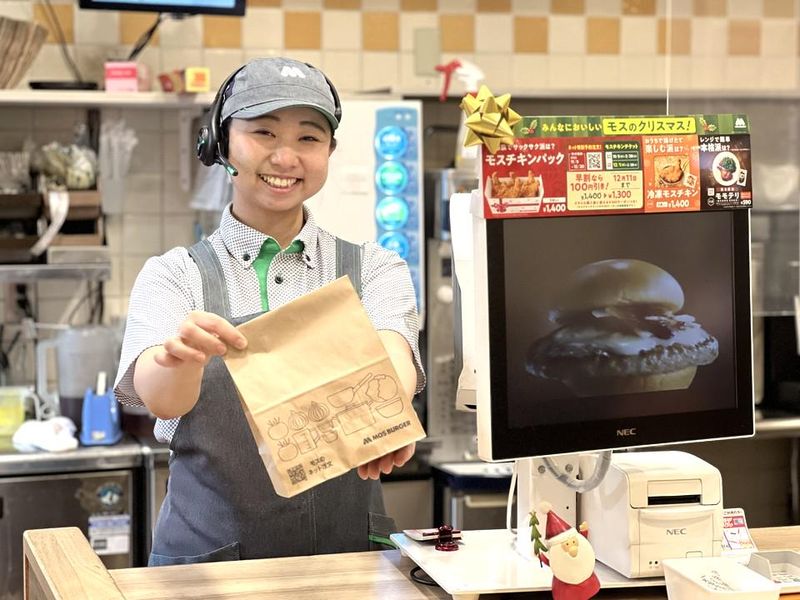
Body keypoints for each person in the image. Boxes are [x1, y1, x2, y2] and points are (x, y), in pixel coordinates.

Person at [114, 57, 425, 566]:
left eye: (309, 138)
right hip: (211, 571)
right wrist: (181, 358)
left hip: (345, 568)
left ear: (329, 151)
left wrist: (382, 409)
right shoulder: (174, 274)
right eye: (263, 132)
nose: (286, 157)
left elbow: (397, 363)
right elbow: (160, 399)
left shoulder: (375, 267)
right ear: (221, 143)